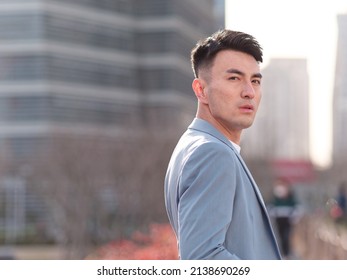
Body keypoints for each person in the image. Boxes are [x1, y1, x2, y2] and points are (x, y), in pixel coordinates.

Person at [164, 29, 281, 260]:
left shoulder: (194, 145)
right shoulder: (211, 153)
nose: (249, 92)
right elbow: (202, 259)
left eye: (255, 81)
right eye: (234, 78)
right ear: (201, 90)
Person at [268, 178, 299, 259]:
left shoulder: (291, 198)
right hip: (278, 219)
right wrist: (273, 213)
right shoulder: (275, 198)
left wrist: (294, 216)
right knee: (280, 236)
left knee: (286, 236)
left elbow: (296, 208)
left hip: (287, 219)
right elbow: (270, 207)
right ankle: (281, 253)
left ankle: (287, 253)